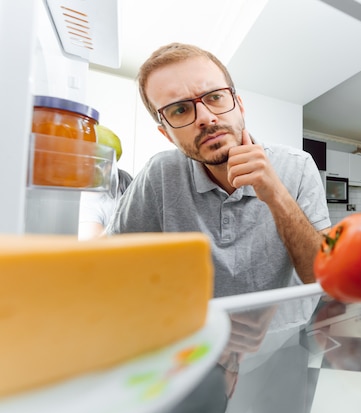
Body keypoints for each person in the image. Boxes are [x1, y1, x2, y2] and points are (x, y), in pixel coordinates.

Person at [106, 42, 331, 297]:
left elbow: (320, 277)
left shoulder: (298, 166)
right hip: (194, 334)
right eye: (179, 110)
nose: (205, 117)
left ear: (239, 105)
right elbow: (112, 267)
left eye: (214, 97)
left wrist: (277, 196)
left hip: (284, 335)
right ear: (167, 135)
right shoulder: (159, 174)